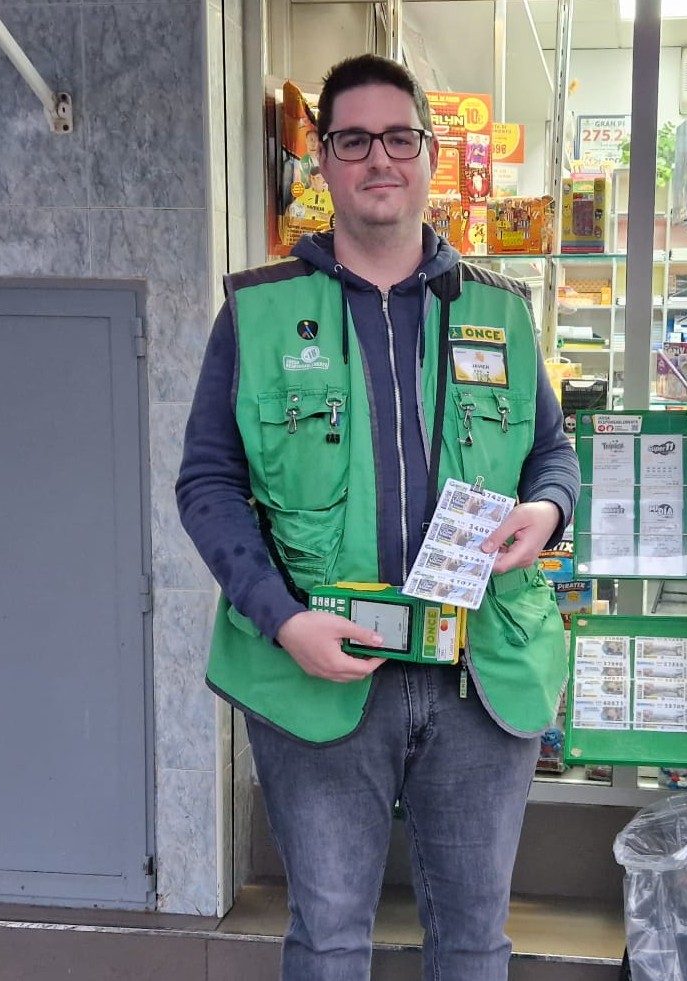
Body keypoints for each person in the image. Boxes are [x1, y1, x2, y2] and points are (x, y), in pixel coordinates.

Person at [175, 53, 579, 981]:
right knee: (327, 938)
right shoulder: (260, 315)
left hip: (481, 671)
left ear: (430, 156)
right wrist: (283, 620)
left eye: (399, 138)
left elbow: (552, 452)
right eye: (353, 140)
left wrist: (545, 508)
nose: (378, 159)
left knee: (476, 939)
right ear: (323, 159)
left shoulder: (502, 313)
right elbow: (206, 483)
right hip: (320, 669)